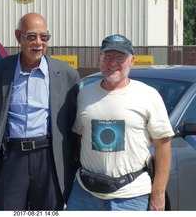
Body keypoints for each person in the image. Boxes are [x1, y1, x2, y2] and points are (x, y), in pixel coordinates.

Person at [66, 34, 174, 211]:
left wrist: (158, 193)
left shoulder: (148, 95)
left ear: (132, 61)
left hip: (131, 196)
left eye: (120, 57)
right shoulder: (84, 94)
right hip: (84, 194)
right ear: (99, 58)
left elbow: (163, 145)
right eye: (107, 56)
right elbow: (78, 137)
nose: (112, 62)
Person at [0, 12, 80, 210]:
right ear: (18, 36)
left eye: (44, 37)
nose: (38, 42)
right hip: (11, 157)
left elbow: (75, 123)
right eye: (31, 36)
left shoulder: (67, 75)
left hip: (49, 158)